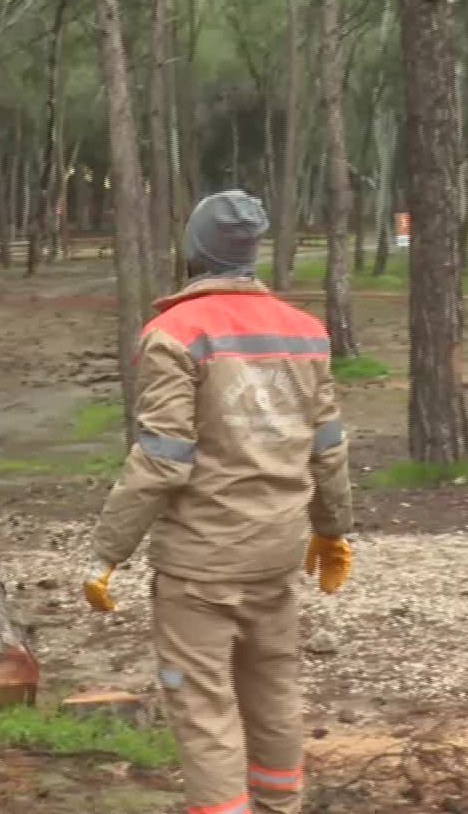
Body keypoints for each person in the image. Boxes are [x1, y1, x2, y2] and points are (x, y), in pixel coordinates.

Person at [82, 190, 354, 814]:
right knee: (274, 690)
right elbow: (328, 445)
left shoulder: (173, 333)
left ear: (194, 249)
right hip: (277, 554)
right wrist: (333, 529)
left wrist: (107, 552)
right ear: (250, 252)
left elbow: (162, 457)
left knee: (203, 706)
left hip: (200, 565)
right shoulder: (306, 333)